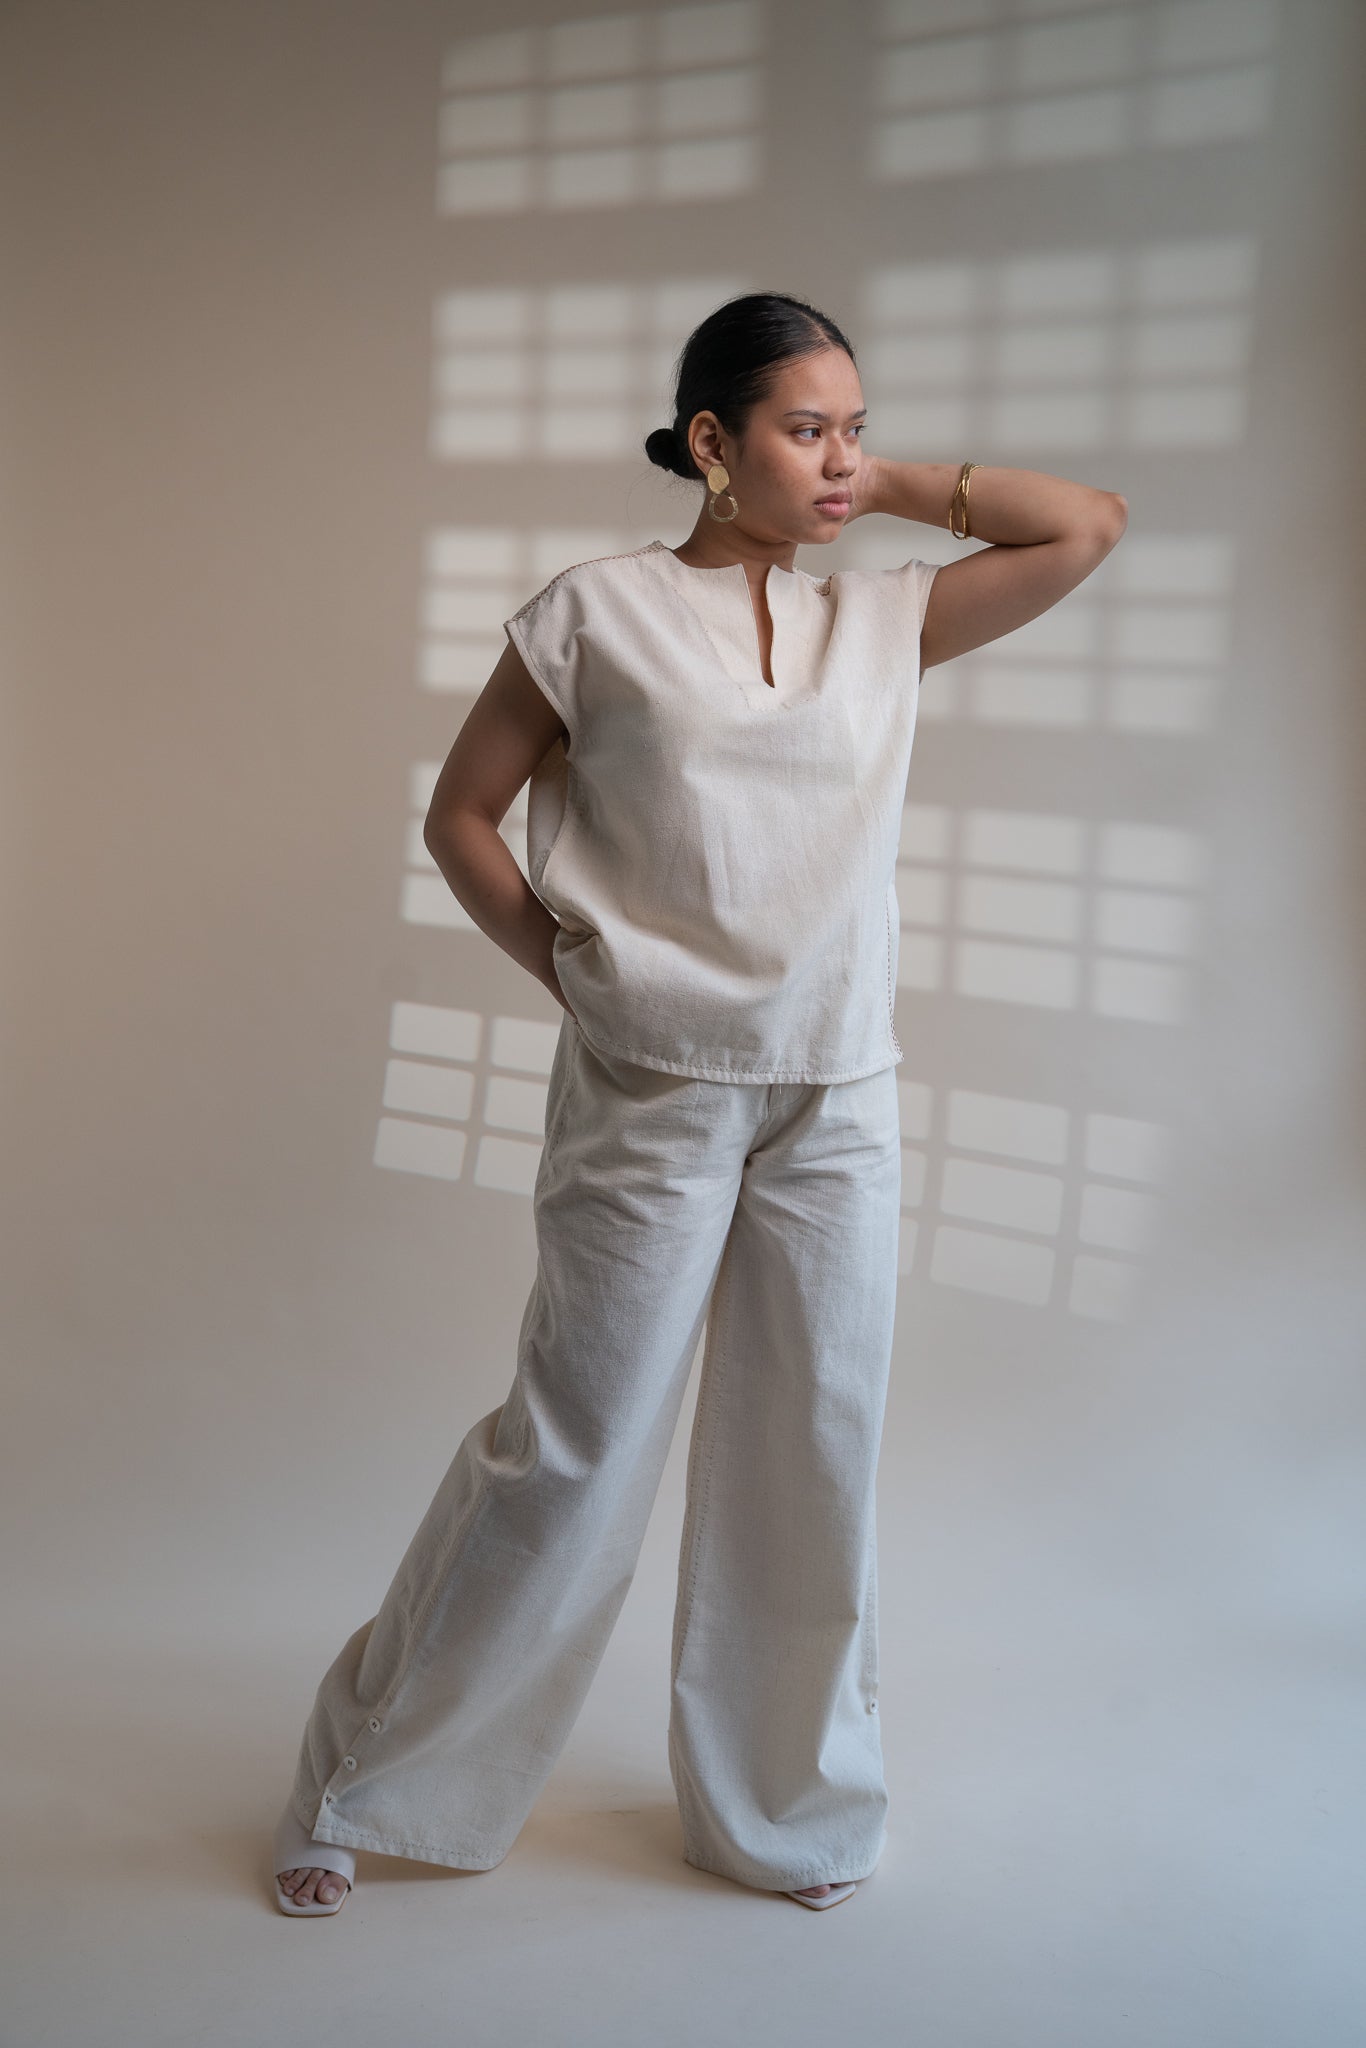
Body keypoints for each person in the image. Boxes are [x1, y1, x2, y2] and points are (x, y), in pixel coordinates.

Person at [273, 289, 1127, 1917]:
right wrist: (575, 973)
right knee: (569, 1453)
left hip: (837, 1097)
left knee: (813, 1456)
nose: (840, 457)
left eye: (855, 427)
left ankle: (783, 1816)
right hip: (651, 1091)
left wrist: (870, 483)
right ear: (709, 440)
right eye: (806, 429)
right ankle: (360, 1779)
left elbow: (1085, 524)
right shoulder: (596, 612)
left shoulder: (877, 619)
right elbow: (461, 816)